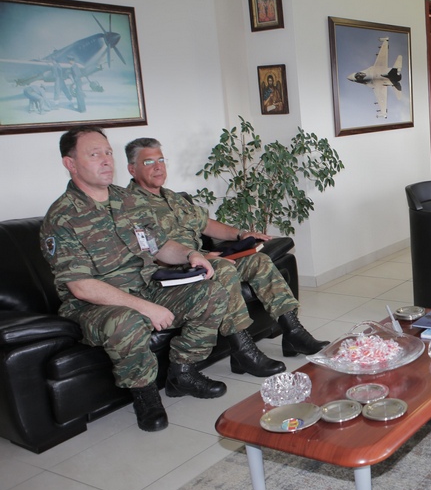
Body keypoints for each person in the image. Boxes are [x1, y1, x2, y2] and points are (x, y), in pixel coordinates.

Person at [41, 127, 231, 433]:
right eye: (94, 154)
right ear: (70, 163)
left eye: (108, 153)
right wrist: (145, 307)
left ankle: (183, 372)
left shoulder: (128, 200)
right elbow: (81, 286)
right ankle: (145, 396)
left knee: (211, 292)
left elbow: (159, 247)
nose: (106, 160)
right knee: (125, 321)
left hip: (146, 287)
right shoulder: (62, 217)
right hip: (94, 306)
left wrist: (191, 254)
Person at [125, 138, 330, 364]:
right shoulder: (129, 205)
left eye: (161, 160)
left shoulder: (171, 197)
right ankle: (243, 351)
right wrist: (199, 257)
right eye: (149, 162)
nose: (158, 167)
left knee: (259, 260)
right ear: (132, 169)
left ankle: (294, 333)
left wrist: (241, 234)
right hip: (174, 271)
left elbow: (206, 224)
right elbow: (148, 251)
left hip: (201, 260)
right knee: (222, 268)